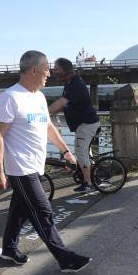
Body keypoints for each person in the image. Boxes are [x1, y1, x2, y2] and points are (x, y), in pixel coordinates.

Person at [0, 50, 91, 273]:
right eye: (47, 69)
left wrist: (65, 151)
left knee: (20, 210)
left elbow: (48, 127)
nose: (50, 74)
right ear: (34, 69)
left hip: (36, 165)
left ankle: (9, 249)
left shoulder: (37, 96)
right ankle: (65, 258)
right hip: (20, 168)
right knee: (42, 211)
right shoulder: (10, 97)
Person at [48, 58, 101, 193]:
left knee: (80, 152)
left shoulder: (76, 84)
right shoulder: (69, 82)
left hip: (86, 124)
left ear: (65, 69)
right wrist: (50, 113)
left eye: (56, 68)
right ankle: (94, 176)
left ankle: (88, 183)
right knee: (84, 152)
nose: (54, 71)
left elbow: (61, 102)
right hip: (83, 124)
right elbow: (63, 105)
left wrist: (43, 114)